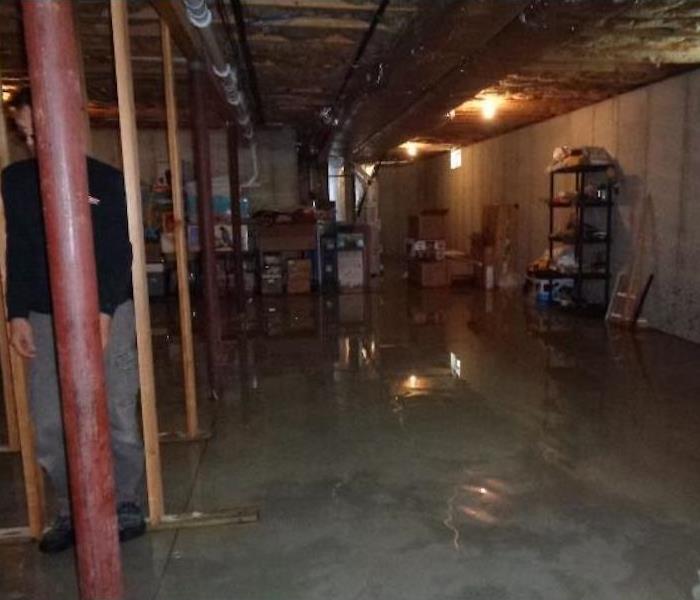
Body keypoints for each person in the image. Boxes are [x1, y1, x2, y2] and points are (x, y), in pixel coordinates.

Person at [2, 87, 146, 553]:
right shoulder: (15, 182)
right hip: (44, 313)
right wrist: (17, 312)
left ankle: (124, 501)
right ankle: (71, 507)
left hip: (107, 306)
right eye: (24, 134)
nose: (31, 143)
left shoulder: (103, 180)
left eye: (38, 131)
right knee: (48, 419)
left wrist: (103, 309)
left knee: (117, 408)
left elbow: (116, 252)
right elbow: (20, 252)